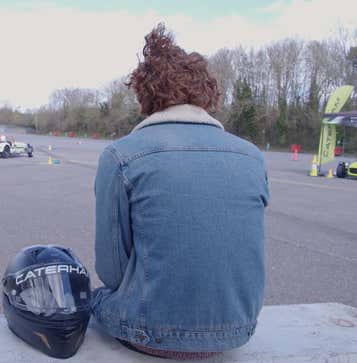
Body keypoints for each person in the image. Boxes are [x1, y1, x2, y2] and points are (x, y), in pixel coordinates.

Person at [91, 24, 269, 360]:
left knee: (89, 295)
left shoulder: (121, 156)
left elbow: (111, 271)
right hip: (239, 328)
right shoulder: (252, 156)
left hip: (150, 333)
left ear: (145, 96)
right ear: (206, 93)